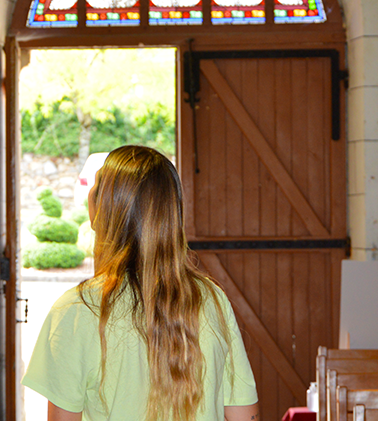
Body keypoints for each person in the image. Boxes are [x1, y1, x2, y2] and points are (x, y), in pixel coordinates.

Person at [22, 145, 259, 421]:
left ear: (102, 212)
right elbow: (244, 416)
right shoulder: (210, 300)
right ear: (172, 214)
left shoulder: (76, 310)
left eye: (96, 184)